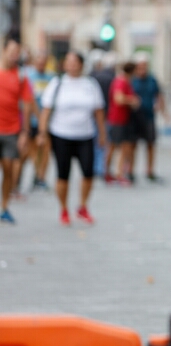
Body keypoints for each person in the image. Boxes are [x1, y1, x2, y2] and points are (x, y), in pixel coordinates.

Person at [38, 50, 106, 225]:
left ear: (81, 64)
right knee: (63, 174)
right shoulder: (57, 83)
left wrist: (102, 133)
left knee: (88, 172)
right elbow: (46, 110)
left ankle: (83, 206)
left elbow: (98, 111)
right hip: (61, 134)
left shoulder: (90, 84)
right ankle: (64, 208)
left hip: (85, 134)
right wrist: (42, 133)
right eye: (68, 61)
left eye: (75, 61)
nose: (71, 65)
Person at [0, 39, 33, 223]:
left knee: (8, 169)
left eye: (17, 52)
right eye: (11, 51)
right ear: (4, 50)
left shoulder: (21, 76)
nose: (14, 55)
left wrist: (25, 132)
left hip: (12, 130)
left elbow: (27, 104)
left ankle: (4, 206)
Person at [131, 52, 169, 182]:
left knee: (151, 144)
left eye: (145, 66)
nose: (143, 69)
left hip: (149, 116)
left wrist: (164, 112)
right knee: (132, 145)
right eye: (140, 66)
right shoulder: (131, 79)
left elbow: (159, 95)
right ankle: (130, 170)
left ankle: (150, 170)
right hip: (134, 117)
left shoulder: (152, 79)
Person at [20, 50, 54, 191]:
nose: (41, 64)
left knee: (45, 150)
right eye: (39, 61)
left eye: (44, 61)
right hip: (32, 121)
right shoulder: (27, 76)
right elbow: (27, 100)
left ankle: (40, 177)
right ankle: (19, 180)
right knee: (29, 152)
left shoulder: (51, 78)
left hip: (47, 122)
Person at [104, 61, 139, 185]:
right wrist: (132, 100)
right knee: (118, 147)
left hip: (121, 118)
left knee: (114, 146)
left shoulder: (124, 81)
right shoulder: (122, 81)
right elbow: (118, 99)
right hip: (117, 119)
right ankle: (117, 173)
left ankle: (109, 173)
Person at [90, 51, 116, 177]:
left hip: (93, 113)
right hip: (106, 112)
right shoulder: (111, 77)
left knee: (96, 141)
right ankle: (101, 167)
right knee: (104, 140)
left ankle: (95, 166)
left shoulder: (91, 77)